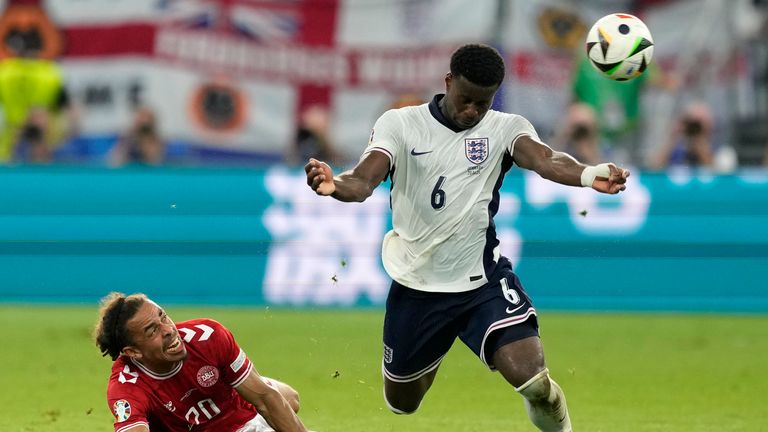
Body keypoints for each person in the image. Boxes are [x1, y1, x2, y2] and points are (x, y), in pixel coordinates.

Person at [305, 44, 629, 432]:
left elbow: (546, 159)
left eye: (483, 102)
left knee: (532, 379)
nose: (473, 110)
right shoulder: (401, 124)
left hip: (482, 283)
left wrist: (590, 174)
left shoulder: (505, 128)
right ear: (447, 83)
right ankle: (431, 347)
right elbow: (362, 180)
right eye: (466, 99)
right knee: (402, 404)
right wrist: (333, 185)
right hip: (418, 284)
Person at [94, 292, 308, 432]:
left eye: (164, 317)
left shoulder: (208, 336)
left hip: (237, 413)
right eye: (152, 330)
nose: (169, 330)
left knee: (288, 398)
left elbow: (264, 398)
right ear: (133, 352)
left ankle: (240, 387)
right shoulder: (126, 387)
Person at [649, 101, 736, 171]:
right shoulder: (676, 150)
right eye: (691, 122)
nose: (694, 127)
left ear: (710, 125)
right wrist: (672, 139)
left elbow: (720, 177)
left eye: (699, 123)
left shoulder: (723, 151)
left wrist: (700, 144)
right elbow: (653, 169)